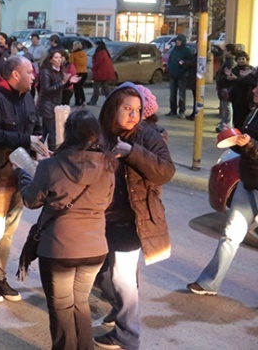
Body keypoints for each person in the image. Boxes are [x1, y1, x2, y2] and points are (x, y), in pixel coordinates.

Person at [18, 110, 114, 350]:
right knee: (80, 303)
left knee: (61, 307)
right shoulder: (109, 165)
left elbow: (31, 200)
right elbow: (108, 201)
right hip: (95, 248)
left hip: (59, 248)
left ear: (68, 133)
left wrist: (23, 177)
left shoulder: (51, 166)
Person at [94, 83, 175, 350]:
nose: (133, 115)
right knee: (101, 274)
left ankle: (128, 335)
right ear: (112, 109)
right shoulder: (99, 134)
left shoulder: (147, 137)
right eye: (127, 108)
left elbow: (165, 171)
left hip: (133, 218)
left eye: (138, 110)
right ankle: (122, 311)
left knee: (122, 277)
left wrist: (132, 153)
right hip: (99, 217)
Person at [0, 56, 49, 303]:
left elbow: (31, 130)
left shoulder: (26, 97)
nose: (34, 75)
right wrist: (24, 140)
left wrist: (39, 147)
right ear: (15, 75)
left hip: (19, 174)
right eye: (29, 71)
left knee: (8, 232)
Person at [188, 80, 258, 298]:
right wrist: (236, 140)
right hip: (248, 182)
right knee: (230, 234)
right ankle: (209, 283)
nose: (254, 90)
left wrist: (250, 145)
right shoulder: (254, 111)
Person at [39, 51, 79, 151]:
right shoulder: (46, 71)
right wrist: (62, 82)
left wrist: (69, 82)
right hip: (47, 104)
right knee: (52, 132)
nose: (59, 60)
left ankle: (37, 150)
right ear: (50, 59)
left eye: (60, 57)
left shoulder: (59, 70)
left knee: (44, 131)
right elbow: (46, 89)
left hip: (55, 103)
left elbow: (61, 87)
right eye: (56, 57)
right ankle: (52, 153)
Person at [166, 34, 194, 117]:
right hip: (173, 75)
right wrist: (169, 69)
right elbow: (170, 60)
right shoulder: (174, 50)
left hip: (182, 76)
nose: (177, 42)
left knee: (181, 94)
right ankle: (173, 110)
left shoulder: (187, 51)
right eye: (177, 40)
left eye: (179, 40)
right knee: (172, 94)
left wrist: (183, 64)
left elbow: (190, 62)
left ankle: (182, 111)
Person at [226, 51, 255, 131]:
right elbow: (228, 81)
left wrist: (238, 78)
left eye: (243, 59)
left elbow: (252, 82)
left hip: (247, 98)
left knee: (246, 117)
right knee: (237, 117)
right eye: (239, 59)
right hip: (236, 97)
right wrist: (228, 78)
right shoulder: (234, 69)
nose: (241, 60)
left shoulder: (251, 70)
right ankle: (237, 132)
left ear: (247, 59)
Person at [214, 43, 237, 132]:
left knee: (227, 106)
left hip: (227, 87)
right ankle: (224, 123)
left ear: (230, 52)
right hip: (223, 86)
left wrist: (221, 80)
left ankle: (227, 124)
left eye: (226, 50)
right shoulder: (227, 61)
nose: (224, 52)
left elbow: (228, 75)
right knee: (224, 106)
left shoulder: (230, 62)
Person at [89, 41, 115, 107]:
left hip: (100, 73)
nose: (96, 46)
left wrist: (92, 68)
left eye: (96, 45)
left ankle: (93, 101)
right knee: (105, 88)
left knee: (96, 88)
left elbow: (97, 63)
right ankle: (111, 99)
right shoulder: (105, 52)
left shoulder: (100, 53)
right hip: (106, 74)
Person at [69, 41, 88, 107]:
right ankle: (83, 100)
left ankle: (78, 102)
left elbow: (70, 62)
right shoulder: (84, 53)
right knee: (80, 87)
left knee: (77, 88)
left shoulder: (73, 54)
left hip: (77, 72)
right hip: (84, 72)